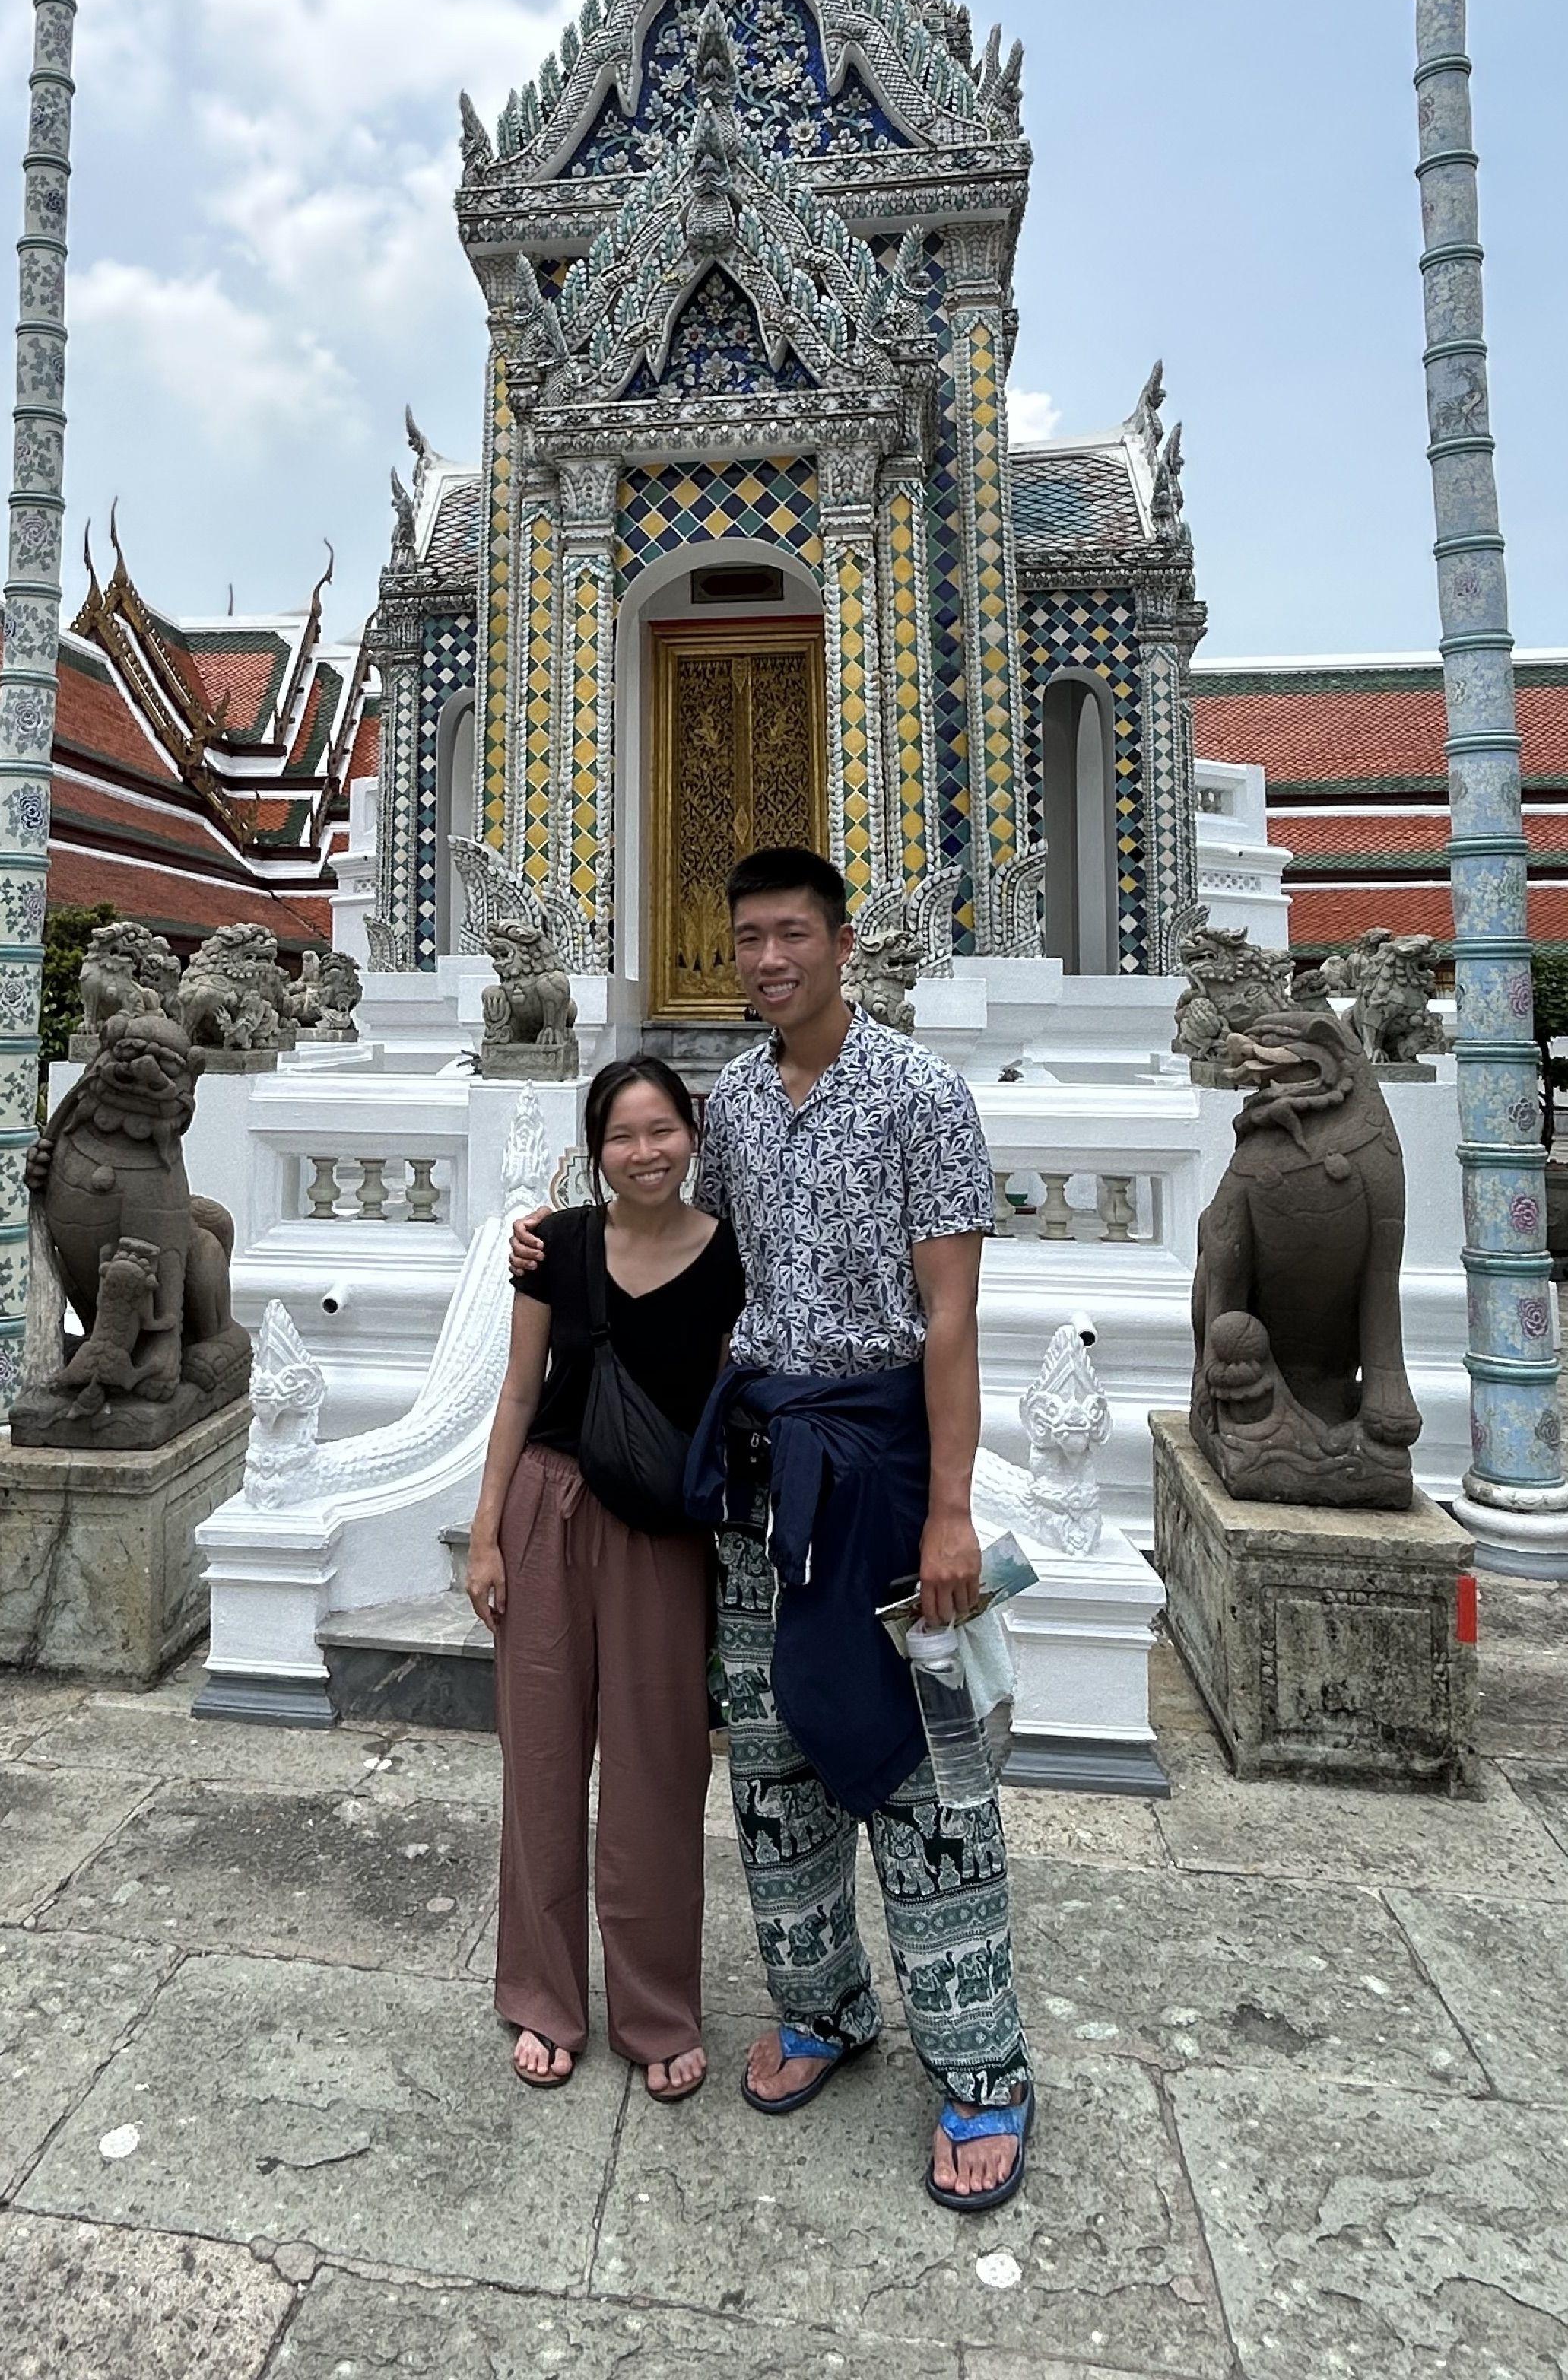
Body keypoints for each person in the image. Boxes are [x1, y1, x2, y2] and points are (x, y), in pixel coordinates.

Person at [509, 844, 1035, 2209]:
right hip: (758, 1481)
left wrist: (956, 1509)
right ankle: (824, 2007)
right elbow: (673, 1248)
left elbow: (955, 1320)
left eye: (792, 934)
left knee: (924, 1780)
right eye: (746, 938)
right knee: (775, 1766)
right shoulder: (728, 1104)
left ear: (844, 943)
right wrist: (547, 1244)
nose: (765, 960)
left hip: (884, 1467)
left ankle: (981, 2070)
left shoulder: (923, 1095)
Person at [467, 1055, 742, 2104]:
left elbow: (723, 1406)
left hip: (660, 1531)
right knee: (539, 1764)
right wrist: (486, 1534)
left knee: (658, 1773)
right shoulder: (557, 1248)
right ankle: (544, 1997)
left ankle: (657, 2005)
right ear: (596, 1152)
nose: (646, 1153)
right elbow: (514, 1391)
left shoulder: (729, 1258)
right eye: (624, 1137)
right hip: (546, 1503)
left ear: (691, 1136)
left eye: (663, 1130)